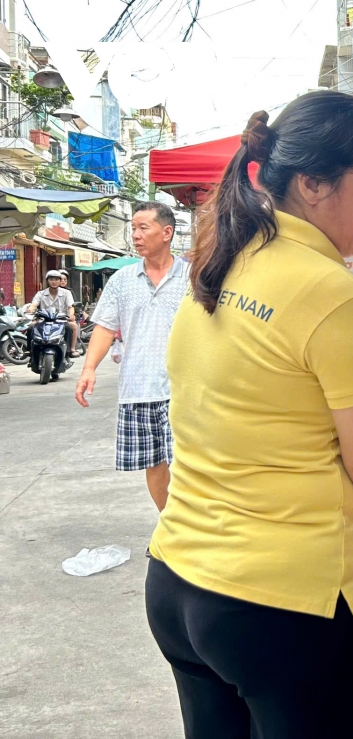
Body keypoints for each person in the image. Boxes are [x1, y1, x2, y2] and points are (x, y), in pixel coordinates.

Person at [144, 93, 353, 739]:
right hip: (291, 607)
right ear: (312, 184)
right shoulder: (333, 295)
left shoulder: (217, 266)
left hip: (182, 583)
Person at [75, 201, 188, 512]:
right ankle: (168, 527)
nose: (135, 235)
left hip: (186, 390)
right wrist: (88, 368)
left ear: (167, 232)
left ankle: (191, 529)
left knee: (189, 465)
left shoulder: (193, 277)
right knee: (154, 464)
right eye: (133, 228)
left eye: (143, 227)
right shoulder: (122, 280)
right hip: (138, 387)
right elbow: (105, 328)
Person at [26, 270, 79, 356]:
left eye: (56, 279)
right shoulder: (41, 293)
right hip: (43, 320)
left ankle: (69, 350)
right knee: (31, 327)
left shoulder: (67, 293)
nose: (54, 282)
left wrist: (71, 314)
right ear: (47, 281)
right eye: (51, 279)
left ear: (59, 281)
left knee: (69, 327)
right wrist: (30, 309)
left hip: (60, 320)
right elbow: (34, 304)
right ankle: (30, 350)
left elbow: (70, 307)